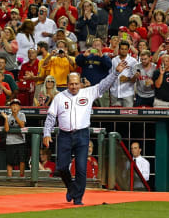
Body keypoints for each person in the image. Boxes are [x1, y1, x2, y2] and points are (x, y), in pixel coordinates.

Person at [43, 60, 128, 205]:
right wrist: (47, 133)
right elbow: (51, 116)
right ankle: (71, 188)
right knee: (62, 167)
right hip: (64, 135)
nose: (74, 86)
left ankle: (78, 198)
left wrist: (116, 72)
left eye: (76, 84)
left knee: (82, 168)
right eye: (71, 84)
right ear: (67, 84)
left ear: (80, 83)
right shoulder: (59, 97)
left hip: (82, 134)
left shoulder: (88, 92)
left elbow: (104, 84)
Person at [0, 99, 27, 177]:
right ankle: (9, 178)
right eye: (13, 105)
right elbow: (6, 129)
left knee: (22, 160)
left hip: (20, 141)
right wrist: (5, 118)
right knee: (10, 161)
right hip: (10, 141)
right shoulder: (8, 116)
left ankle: (21, 176)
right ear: (10, 107)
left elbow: (22, 126)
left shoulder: (22, 115)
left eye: (16, 105)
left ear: (19, 107)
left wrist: (15, 117)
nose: (15, 107)